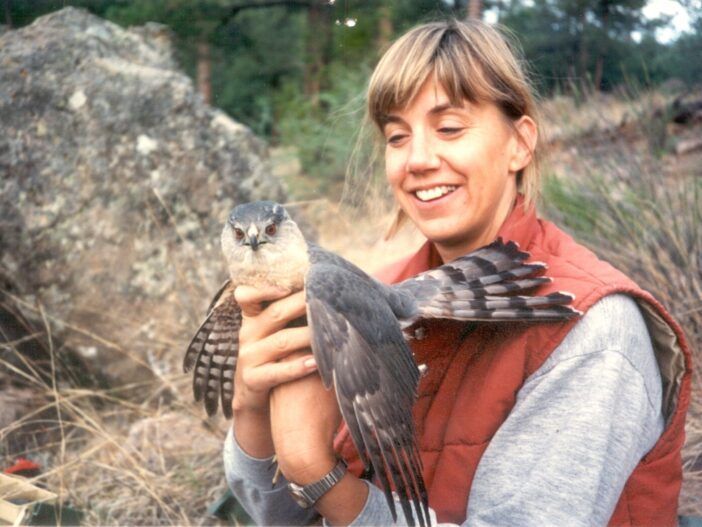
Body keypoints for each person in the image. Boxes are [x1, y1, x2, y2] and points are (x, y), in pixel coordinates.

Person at [223, 19, 692, 526]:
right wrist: (250, 411)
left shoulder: (597, 331)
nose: (418, 159)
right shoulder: (379, 287)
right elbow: (283, 519)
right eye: (397, 136)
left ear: (520, 142)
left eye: (449, 128)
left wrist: (318, 472)